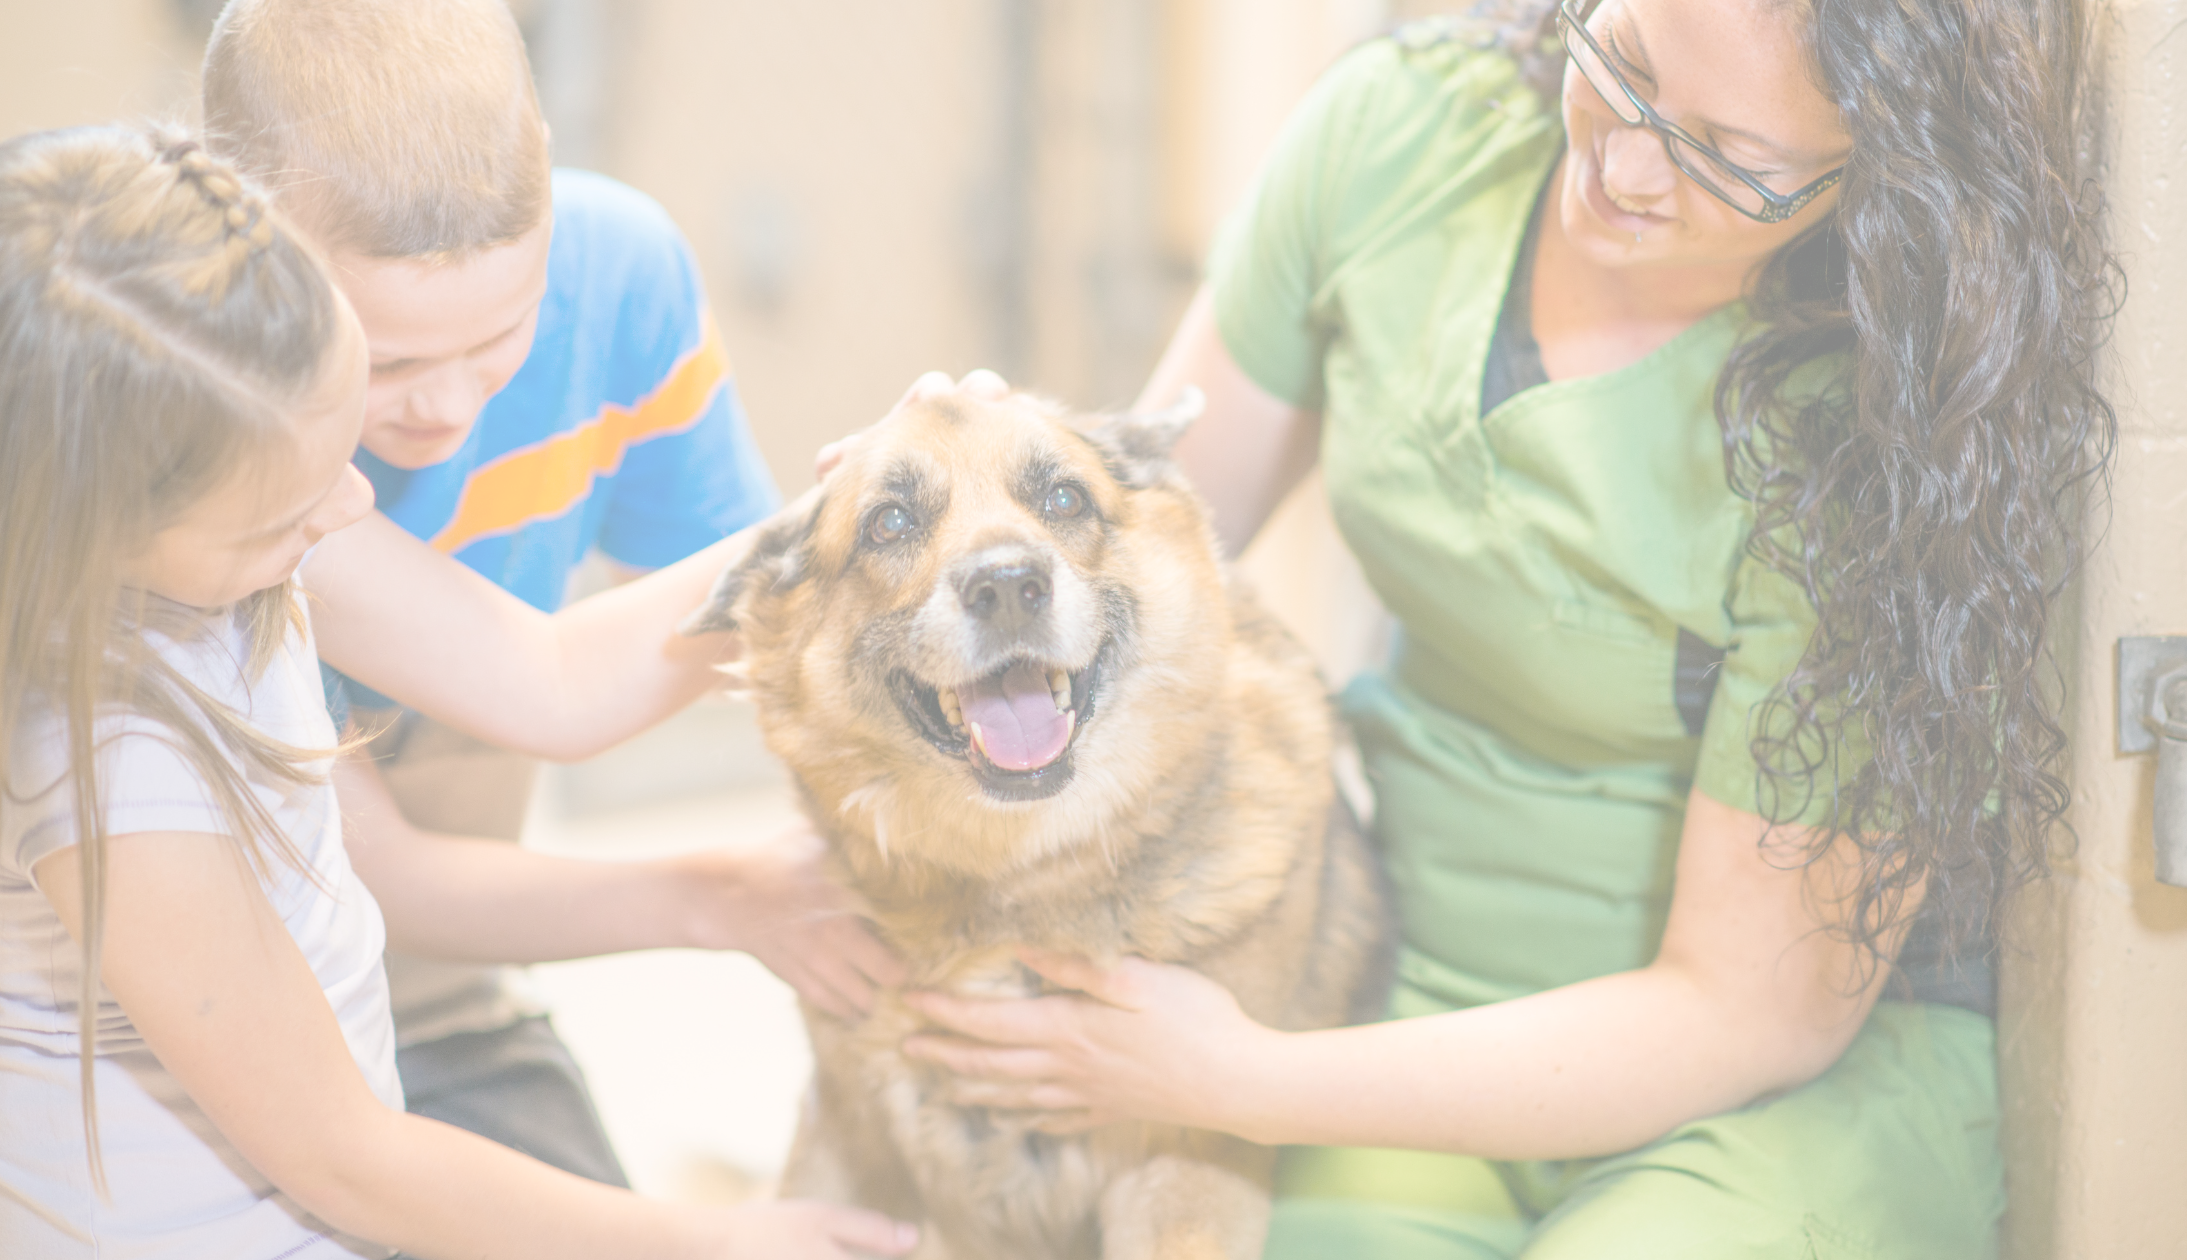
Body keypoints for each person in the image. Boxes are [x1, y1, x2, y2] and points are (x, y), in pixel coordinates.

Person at [896, 0, 2115, 1254]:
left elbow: (1747, 1016)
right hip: (1416, 987)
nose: (1626, 165)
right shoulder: (1403, 136)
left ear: (1876, 167)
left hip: (1791, 1085)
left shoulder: (1872, 431)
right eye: (1623, 64)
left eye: (1724, 157)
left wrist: (1232, 1076)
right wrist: (985, 493)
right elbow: (1140, 553)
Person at [0, 125, 917, 1260]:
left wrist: (854, 518)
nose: (353, 507)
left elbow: (553, 678)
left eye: (339, 449)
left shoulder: (241, 540)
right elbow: (349, 1158)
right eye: (287, 511)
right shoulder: (102, 764)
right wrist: (713, 1241)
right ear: (95, 521)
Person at [199, 0, 901, 1191]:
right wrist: (724, 894)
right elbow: (414, 850)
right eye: (393, 358)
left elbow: (757, 642)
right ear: (236, 263)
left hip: (440, 1003)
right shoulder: (200, 422)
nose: (450, 408)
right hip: (200, 1009)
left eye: (505, 336)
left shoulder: (617, 270)